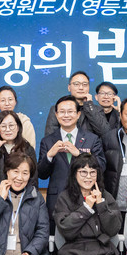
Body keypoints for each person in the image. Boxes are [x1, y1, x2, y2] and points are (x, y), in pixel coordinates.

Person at [38, 96, 105, 231]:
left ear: (78, 114)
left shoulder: (92, 139)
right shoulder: (48, 141)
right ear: (56, 115)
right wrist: (49, 155)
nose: (66, 115)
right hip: (57, 200)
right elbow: (41, 174)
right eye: (62, 112)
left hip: (86, 198)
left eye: (70, 111)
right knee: (56, 239)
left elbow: (101, 167)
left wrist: (79, 154)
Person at [0, 110, 38, 191]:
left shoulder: (27, 149)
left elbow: (33, 178)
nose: (8, 129)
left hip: (21, 196)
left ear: (18, 127)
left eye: (11, 125)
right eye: (3, 126)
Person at [44, 71, 110, 138]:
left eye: (84, 84)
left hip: (91, 145)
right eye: (76, 84)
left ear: (89, 87)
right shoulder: (57, 109)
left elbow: (105, 133)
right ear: (69, 87)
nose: (81, 88)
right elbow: (49, 137)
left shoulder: (97, 109)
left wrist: (89, 105)